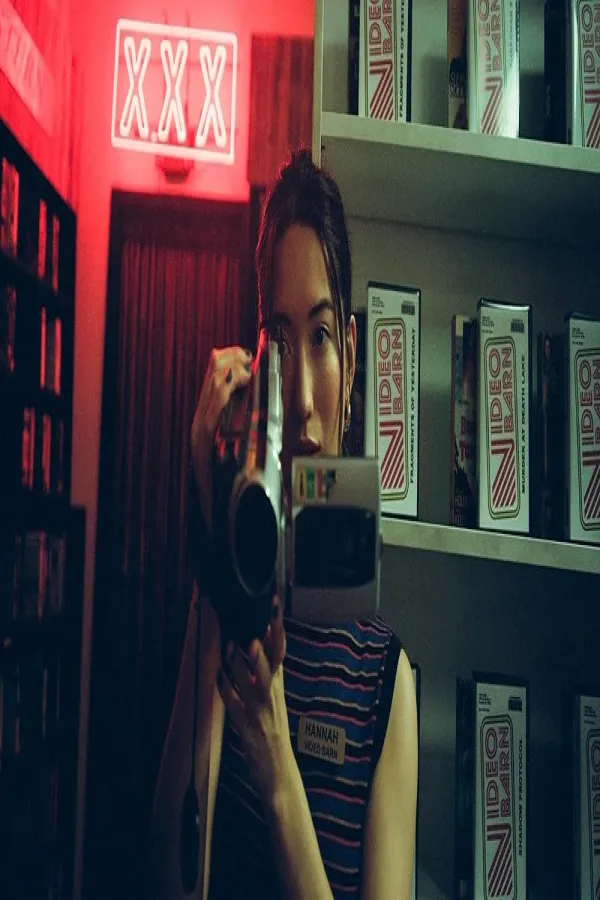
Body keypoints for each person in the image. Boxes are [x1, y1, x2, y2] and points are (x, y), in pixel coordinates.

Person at [150, 148, 418, 900]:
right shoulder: (225, 618)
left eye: (323, 337)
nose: (301, 397)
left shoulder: (386, 681)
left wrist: (276, 766)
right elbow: (167, 878)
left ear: (352, 357)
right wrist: (216, 559)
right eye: (282, 337)